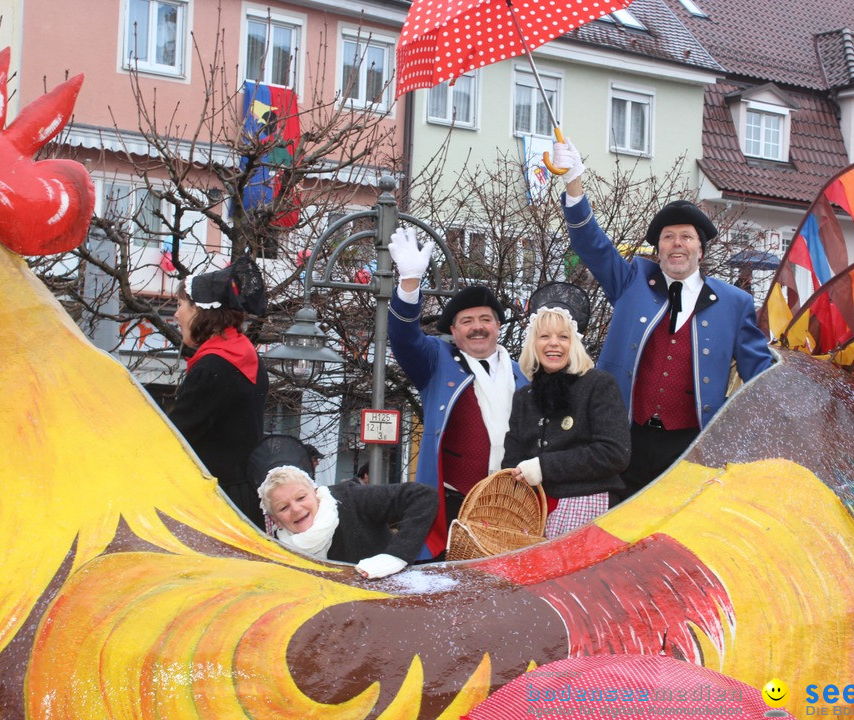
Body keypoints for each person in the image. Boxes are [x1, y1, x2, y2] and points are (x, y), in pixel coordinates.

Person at [551, 140, 774, 502]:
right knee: (621, 535)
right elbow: (592, 245)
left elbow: (760, 376)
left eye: (686, 237)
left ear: (700, 249)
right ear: (658, 250)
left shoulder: (735, 303)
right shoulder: (631, 280)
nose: (677, 244)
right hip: (627, 437)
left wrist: (791, 392)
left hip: (692, 445)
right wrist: (574, 184)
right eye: (668, 237)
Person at [387, 227, 529, 558]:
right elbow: (404, 339)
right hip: (449, 507)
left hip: (508, 507)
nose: (477, 326)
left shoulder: (524, 376)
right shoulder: (437, 360)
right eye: (467, 321)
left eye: (485, 319)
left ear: (497, 327)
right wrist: (409, 284)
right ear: (453, 330)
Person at [502, 283, 631, 537]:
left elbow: (614, 453)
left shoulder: (598, 385)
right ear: (533, 343)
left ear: (575, 343)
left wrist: (544, 467)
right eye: (544, 336)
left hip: (589, 505)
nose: (554, 344)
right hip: (533, 511)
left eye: (563, 337)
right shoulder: (524, 397)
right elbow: (512, 461)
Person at [169, 256, 268, 527]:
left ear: (200, 310)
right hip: (241, 496)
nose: (176, 315)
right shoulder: (245, 356)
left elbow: (175, 436)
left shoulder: (214, 366)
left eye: (180, 305)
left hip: (218, 502)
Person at [258, 465, 438, 579]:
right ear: (276, 521)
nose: (296, 509)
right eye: (284, 508)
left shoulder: (351, 499)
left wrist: (396, 556)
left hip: (388, 608)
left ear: (316, 494)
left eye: (301, 497)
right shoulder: (276, 551)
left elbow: (422, 496)